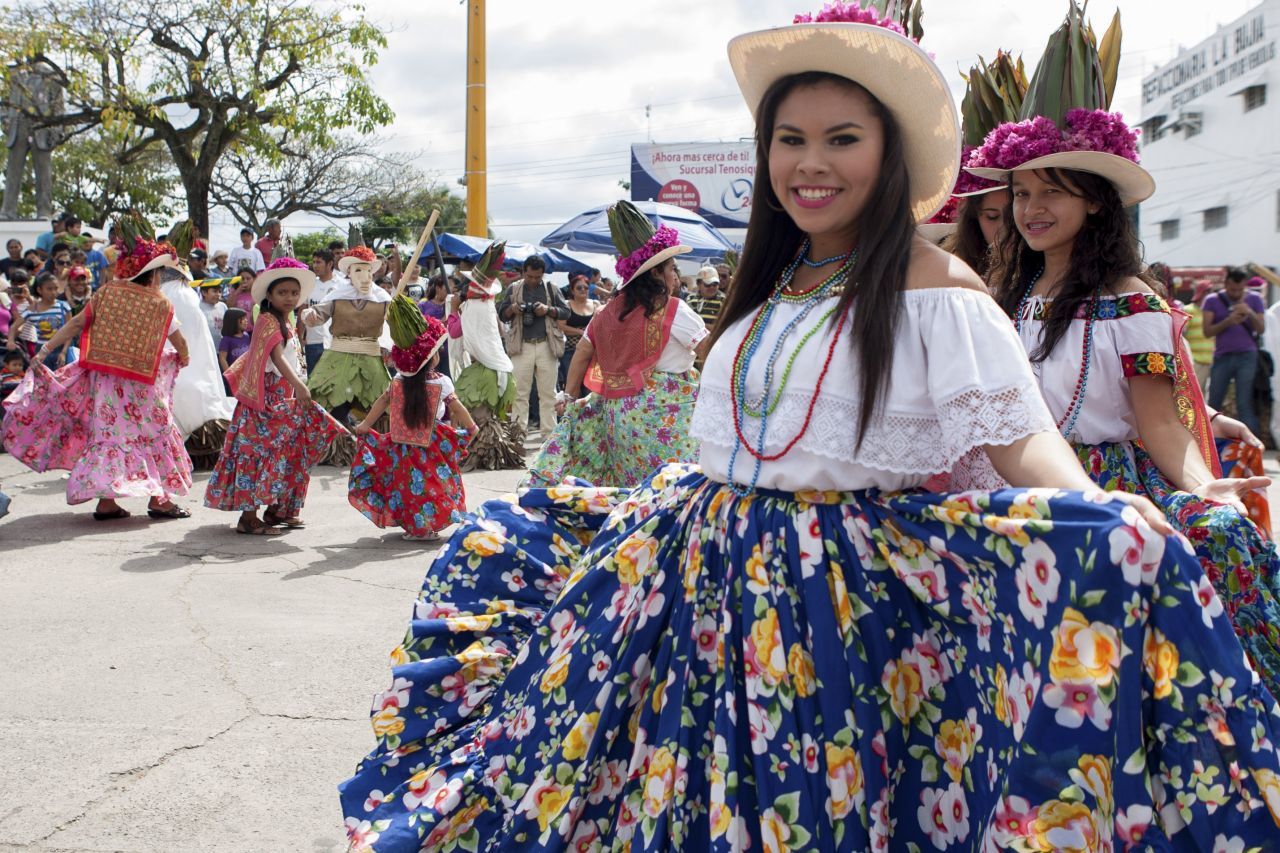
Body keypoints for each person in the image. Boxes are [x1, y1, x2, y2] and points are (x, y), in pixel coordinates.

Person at [339, 6, 1280, 848]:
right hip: (694, 588)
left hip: (831, 606)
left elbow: (1019, 437)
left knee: (812, 800)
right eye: (790, 139)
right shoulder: (767, 288)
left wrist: (1102, 514)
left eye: (841, 138)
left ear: (890, 155)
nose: (811, 163)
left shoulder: (943, 294)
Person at [973, 6, 1280, 697]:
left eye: (1053, 191)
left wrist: (1203, 489)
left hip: (1106, 496)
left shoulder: (1133, 304)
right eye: (1022, 191)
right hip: (1014, 489)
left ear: (1098, 203)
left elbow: (1162, 428)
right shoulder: (1004, 296)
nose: (1031, 208)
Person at [2, 236, 192, 520]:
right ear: (152, 274)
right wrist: (184, 357)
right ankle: (160, 500)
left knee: (109, 437)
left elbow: (78, 323)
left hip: (105, 382)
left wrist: (46, 349)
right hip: (143, 385)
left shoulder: (107, 293)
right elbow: (177, 340)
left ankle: (106, 503)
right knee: (154, 434)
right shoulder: (160, 304)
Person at [524, 200, 706, 489]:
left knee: (631, 491)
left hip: (620, 419)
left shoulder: (607, 313)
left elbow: (583, 352)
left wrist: (569, 398)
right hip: (667, 417)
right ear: (656, 273)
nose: (675, 275)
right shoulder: (673, 309)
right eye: (671, 268)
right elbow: (710, 351)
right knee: (674, 491)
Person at [204, 258, 344, 534]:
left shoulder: (282, 320)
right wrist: (300, 386)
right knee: (261, 452)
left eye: (294, 293)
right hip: (266, 400)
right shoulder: (268, 320)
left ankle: (278, 509)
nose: (289, 297)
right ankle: (249, 517)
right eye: (282, 293)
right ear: (269, 295)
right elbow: (278, 359)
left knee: (284, 452)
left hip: (282, 396)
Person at [349, 314, 475, 542]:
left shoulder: (398, 380)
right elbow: (457, 407)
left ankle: (413, 525)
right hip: (432, 442)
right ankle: (425, 526)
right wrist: (471, 427)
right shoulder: (442, 382)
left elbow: (381, 401)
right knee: (432, 483)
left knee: (405, 483)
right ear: (431, 358)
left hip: (401, 442)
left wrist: (366, 424)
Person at [450, 241, 525, 469]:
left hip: (483, 372)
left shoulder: (474, 308)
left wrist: (453, 310)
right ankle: (492, 454)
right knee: (488, 415)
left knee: (472, 413)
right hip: (499, 369)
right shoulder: (486, 306)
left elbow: (454, 332)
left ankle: (484, 455)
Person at [301, 245, 392, 425]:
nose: (364, 275)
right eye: (358, 269)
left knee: (382, 406)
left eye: (368, 270)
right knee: (325, 402)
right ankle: (335, 446)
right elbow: (317, 315)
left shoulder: (383, 298)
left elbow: (396, 326)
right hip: (337, 358)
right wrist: (308, 316)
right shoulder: (337, 295)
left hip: (371, 358)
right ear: (349, 272)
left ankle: (370, 447)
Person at [498, 255, 569, 435]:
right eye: (530, 276)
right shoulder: (514, 289)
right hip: (521, 346)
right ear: (523, 272)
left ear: (542, 274)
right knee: (519, 394)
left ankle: (549, 436)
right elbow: (502, 314)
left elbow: (566, 312)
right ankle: (518, 435)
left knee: (548, 394)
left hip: (546, 345)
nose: (533, 280)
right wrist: (512, 309)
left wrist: (548, 310)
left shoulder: (551, 288)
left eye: (537, 277)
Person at [1204, 267, 1266, 436]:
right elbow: (1207, 331)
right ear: (1226, 283)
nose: (1236, 293)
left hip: (1247, 356)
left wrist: (1249, 312)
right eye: (1232, 289)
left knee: (1244, 403)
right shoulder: (1212, 300)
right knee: (1213, 402)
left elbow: (1261, 329)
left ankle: (1250, 447)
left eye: (1240, 290)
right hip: (1222, 356)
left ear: (1245, 285)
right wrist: (1229, 321)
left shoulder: (1255, 299)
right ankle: (1210, 443)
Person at [7, 271, 75, 367]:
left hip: (61, 349)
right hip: (42, 351)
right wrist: (10, 341)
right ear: (39, 290)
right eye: (49, 289)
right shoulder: (32, 309)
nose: (53, 292)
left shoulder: (63, 306)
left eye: (56, 288)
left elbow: (70, 331)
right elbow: (14, 327)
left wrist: (64, 352)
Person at [555, 274, 598, 392]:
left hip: (592, 352)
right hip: (570, 351)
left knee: (590, 387)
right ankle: (571, 410)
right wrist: (579, 331)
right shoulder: (566, 305)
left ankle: (588, 411)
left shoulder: (596, 304)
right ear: (572, 290)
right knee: (572, 387)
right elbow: (560, 325)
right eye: (579, 288)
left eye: (586, 287)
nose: (583, 290)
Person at [304, 248, 344, 375]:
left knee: (334, 382)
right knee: (313, 383)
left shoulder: (342, 285)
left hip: (335, 342)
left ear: (330, 264)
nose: (315, 265)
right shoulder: (309, 284)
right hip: (312, 342)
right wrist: (301, 338)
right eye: (314, 262)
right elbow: (303, 310)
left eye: (319, 262)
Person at [196, 279, 227, 344]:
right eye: (215, 291)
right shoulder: (198, 307)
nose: (218, 294)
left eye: (219, 291)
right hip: (206, 345)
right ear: (204, 292)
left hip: (221, 346)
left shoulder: (223, 306)